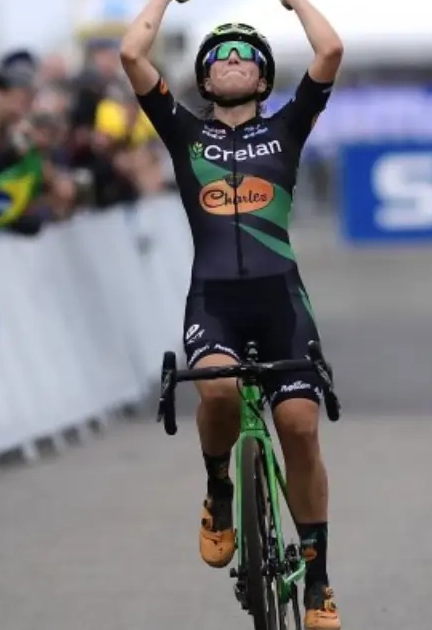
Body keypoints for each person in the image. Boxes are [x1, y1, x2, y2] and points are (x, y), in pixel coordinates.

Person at [119, 1, 343, 628]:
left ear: (264, 77)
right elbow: (131, 54)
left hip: (281, 303)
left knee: (299, 427)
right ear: (205, 78)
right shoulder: (185, 132)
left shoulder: (290, 125)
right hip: (214, 301)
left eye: (248, 54)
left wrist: (295, 2)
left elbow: (330, 52)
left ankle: (318, 579)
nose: (235, 60)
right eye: (221, 55)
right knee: (216, 391)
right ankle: (220, 487)